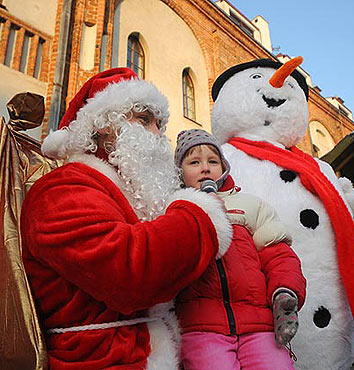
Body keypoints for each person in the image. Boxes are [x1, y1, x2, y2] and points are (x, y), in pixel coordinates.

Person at [20, 68, 233, 370]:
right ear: (104, 125)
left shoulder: (129, 192)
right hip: (99, 359)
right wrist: (201, 217)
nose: (159, 135)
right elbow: (133, 273)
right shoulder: (60, 189)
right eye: (144, 120)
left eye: (160, 123)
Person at [174, 129, 307, 370]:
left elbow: (277, 254)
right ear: (180, 172)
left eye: (213, 161)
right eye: (194, 162)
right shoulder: (175, 209)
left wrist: (284, 291)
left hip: (258, 323)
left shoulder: (249, 205)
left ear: (224, 168)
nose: (205, 168)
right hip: (201, 326)